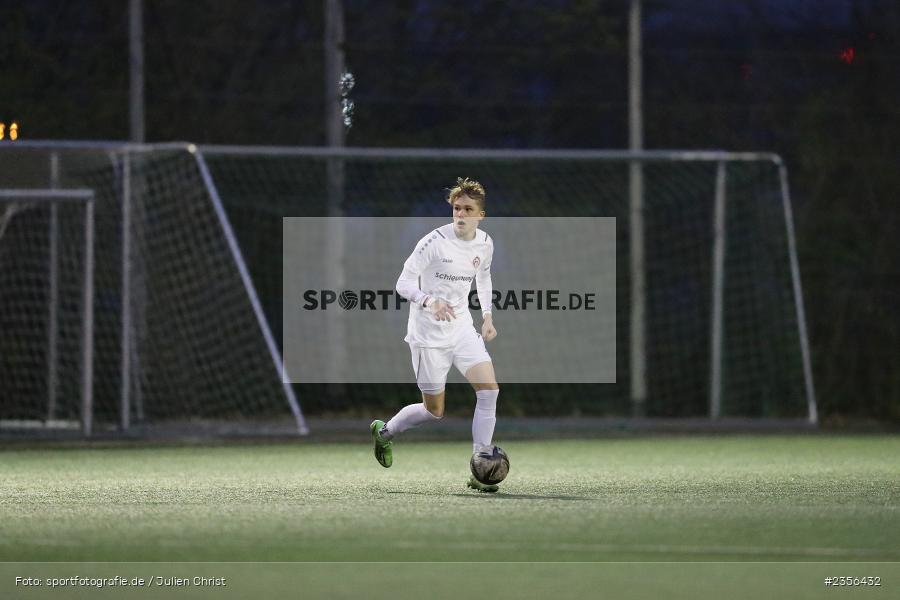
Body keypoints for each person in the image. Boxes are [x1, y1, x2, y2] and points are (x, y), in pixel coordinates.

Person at [370, 177, 501, 492]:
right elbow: (402, 284)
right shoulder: (433, 242)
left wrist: (487, 316)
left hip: (462, 329)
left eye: (468, 209)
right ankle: (384, 433)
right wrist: (429, 300)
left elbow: (483, 278)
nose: (460, 215)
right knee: (434, 411)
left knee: (489, 390)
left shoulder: (485, 243)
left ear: (480, 215)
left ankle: (480, 463)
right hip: (428, 336)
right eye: (456, 208)